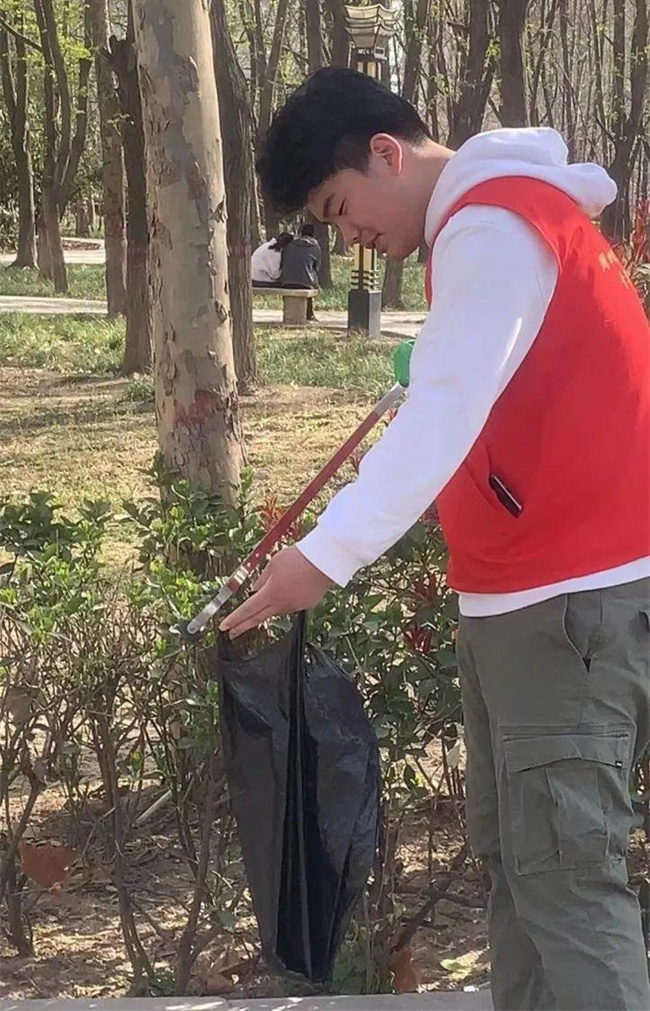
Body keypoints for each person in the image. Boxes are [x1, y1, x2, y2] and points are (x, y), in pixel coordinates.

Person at [221, 67, 650, 1011]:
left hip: (565, 602)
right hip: (525, 598)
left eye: (340, 210)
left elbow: (443, 412)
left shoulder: (494, 228)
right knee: (525, 866)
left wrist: (323, 556)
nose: (350, 239)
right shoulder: (496, 222)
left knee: (567, 881)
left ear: (386, 152)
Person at [279, 222, 321, 320]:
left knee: (298, 281)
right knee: (307, 280)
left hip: (286, 281)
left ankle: (289, 314)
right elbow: (316, 268)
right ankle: (309, 314)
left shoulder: (290, 245)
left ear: (301, 233)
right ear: (314, 234)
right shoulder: (315, 247)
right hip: (305, 283)